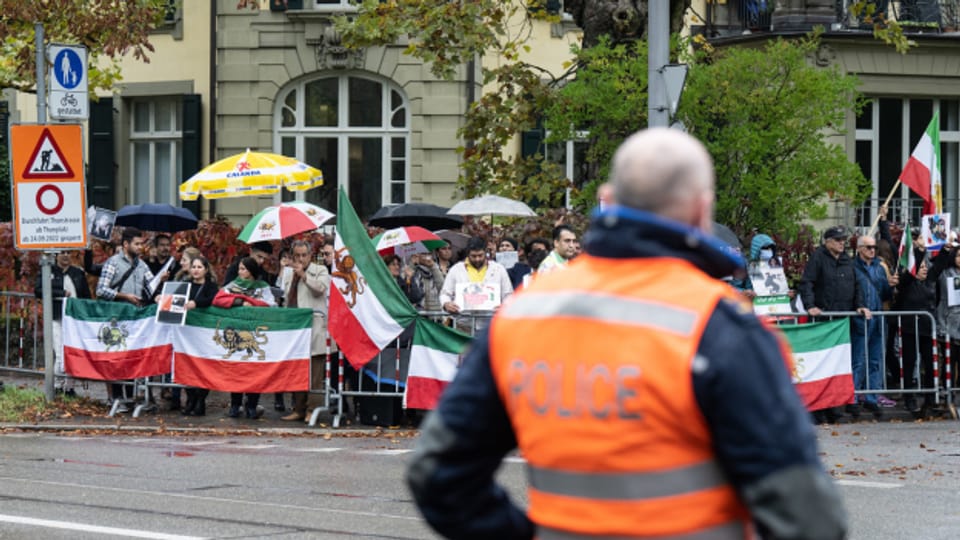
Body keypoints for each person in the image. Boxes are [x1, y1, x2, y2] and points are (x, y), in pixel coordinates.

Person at [407, 127, 846, 540]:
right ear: (701, 209)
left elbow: (437, 472)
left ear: (608, 200)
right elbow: (808, 517)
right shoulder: (720, 326)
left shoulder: (524, 315)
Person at [798, 225, 868, 423]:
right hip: (823, 320)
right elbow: (807, 282)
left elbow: (856, 285)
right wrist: (810, 305)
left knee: (839, 365)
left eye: (843, 240)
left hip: (842, 321)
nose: (842, 243)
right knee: (821, 364)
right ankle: (818, 408)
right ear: (827, 241)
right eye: (838, 240)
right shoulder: (818, 258)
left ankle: (835, 407)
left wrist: (860, 305)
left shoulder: (847, 260)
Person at [96, 227, 155, 406]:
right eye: (136, 244)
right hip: (116, 317)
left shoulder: (141, 264)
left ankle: (129, 397)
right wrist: (125, 296)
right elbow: (101, 289)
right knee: (116, 357)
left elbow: (151, 284)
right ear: (125, 244)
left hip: (134, 318)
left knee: (130, 357)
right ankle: (116, 397)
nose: (140, 247)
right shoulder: (113, 263)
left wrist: (161, 280)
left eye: (141, 244)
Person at [213, 256, 276, 419]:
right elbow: (218, 299)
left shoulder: (262, 287)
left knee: (255, 370)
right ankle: (235, 404)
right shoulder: (233, 286)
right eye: (239, 269)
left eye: (243, 269)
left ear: (251, 271)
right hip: (236, 332)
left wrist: (253, 302)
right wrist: (240, 302)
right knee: (237, 369)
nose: (240, 272)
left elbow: (271, 304)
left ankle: (252, 404)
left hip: (254, 333)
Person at [281, 240, 332, 422]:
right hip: (295, 329)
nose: (301, 259)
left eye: (304, 255)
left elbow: (320, 290)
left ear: (310, 255)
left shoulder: (320, 270)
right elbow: (285, 297)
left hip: (314, 328)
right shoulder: (288, 274)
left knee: (315, 373)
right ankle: (298, 408)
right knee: (297, 371)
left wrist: (303, 275)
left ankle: (313, 409)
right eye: (297, 256)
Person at [34, 250, 92, 396]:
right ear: (56, 255)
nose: (65, 255)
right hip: (56, 317)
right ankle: (58, 386)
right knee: (60, 354)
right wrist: (60, 292)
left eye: (68, 252)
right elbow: (38, 290)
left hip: (75, 321)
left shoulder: (78, 273)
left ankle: (69, 388)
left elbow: (86, 296)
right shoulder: (48, 271)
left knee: (73, 353)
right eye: (62, 252)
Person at [852, 235, 898, 417]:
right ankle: (854, 397)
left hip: (878, 317)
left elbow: (885, 294)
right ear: (860, 249)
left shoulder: (880, 268)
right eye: (869, 247)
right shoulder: (853, 267)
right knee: (858, 359)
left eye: (874, 247)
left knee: (875, 359)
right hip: (861, 319)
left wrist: (891, 285)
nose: (872, 250)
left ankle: (872, 397)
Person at [440, 236, 513, 333]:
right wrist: (446, 304)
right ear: (468, 254)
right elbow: (445, 293)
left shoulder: (498, 269)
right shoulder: (456, 269)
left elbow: (508, 294)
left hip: (491, 325)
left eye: (480, 255)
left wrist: (505, 306)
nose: (477, 259)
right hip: (463, 325)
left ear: (485, 252)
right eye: (473, 256)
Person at [180, 256, 218, 417]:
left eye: (199, 267)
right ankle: (190, 398)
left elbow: (213, 300)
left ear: (206, 270)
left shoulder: (211, 287)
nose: (196, 270)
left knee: (203, 365)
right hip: (187, 332)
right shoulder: (185, 286)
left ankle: (201, 399)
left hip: (204, 332)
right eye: (193, 266)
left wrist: (197, 304)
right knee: (187, 365)